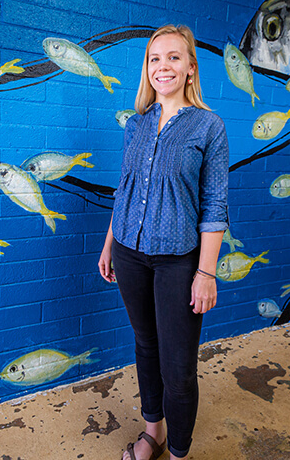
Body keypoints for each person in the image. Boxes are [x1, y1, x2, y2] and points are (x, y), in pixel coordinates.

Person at [98, 24, 229, 460]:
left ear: (190, 67)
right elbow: (125, 189)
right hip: (129, 254)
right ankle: (153, 431)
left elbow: (214, 204)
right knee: (145, 345)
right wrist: (109, 243)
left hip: (178, 262)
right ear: (147, 70)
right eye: (155, 59)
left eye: (173, 57)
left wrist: (206, 272)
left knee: (178, 369)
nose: (163, 66)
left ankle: (178, 452)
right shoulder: (135, 125)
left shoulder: (209, 127)